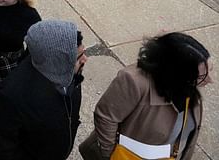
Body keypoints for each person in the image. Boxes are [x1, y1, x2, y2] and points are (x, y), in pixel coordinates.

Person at [78, 32, 212, 160]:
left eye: (209, 71)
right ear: (178, 73)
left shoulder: (188, 87)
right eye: (201, 76)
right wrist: (111, 155)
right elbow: (106, 118)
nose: (210, 80)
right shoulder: (133, 81)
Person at [0, 20, 87, 160]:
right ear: (58, 61)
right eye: (78, 57)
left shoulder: (70, 72)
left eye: (83, 53)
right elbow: (1, 144)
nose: (85, 60)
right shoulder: (13, 96)